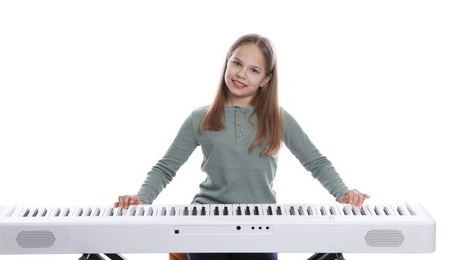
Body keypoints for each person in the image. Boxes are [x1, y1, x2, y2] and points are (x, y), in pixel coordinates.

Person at [114, 34, 370, 260]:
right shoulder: (199, 118)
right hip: (205, 223)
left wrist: (343, 192)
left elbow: (316, 162)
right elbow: (165, 168)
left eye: (253, 70)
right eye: (236, 63)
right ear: (227, 62)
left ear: (266, 79)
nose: (241, 74)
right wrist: (141, 198)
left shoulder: (277, 118)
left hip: (262, 223)